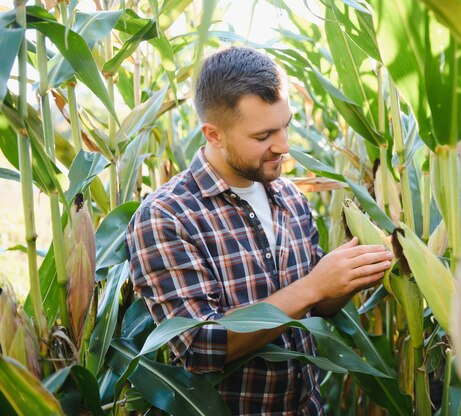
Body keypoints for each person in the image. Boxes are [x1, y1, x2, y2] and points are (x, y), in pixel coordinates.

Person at [125, 46, 393, 415]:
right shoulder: (166, 217)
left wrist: (352, 274)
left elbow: (314, 305)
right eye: (264, 135)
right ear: (214, 134)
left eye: (286, 125)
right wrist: (315, 284)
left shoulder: (289, 197)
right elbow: (201, 346)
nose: (283, 146)